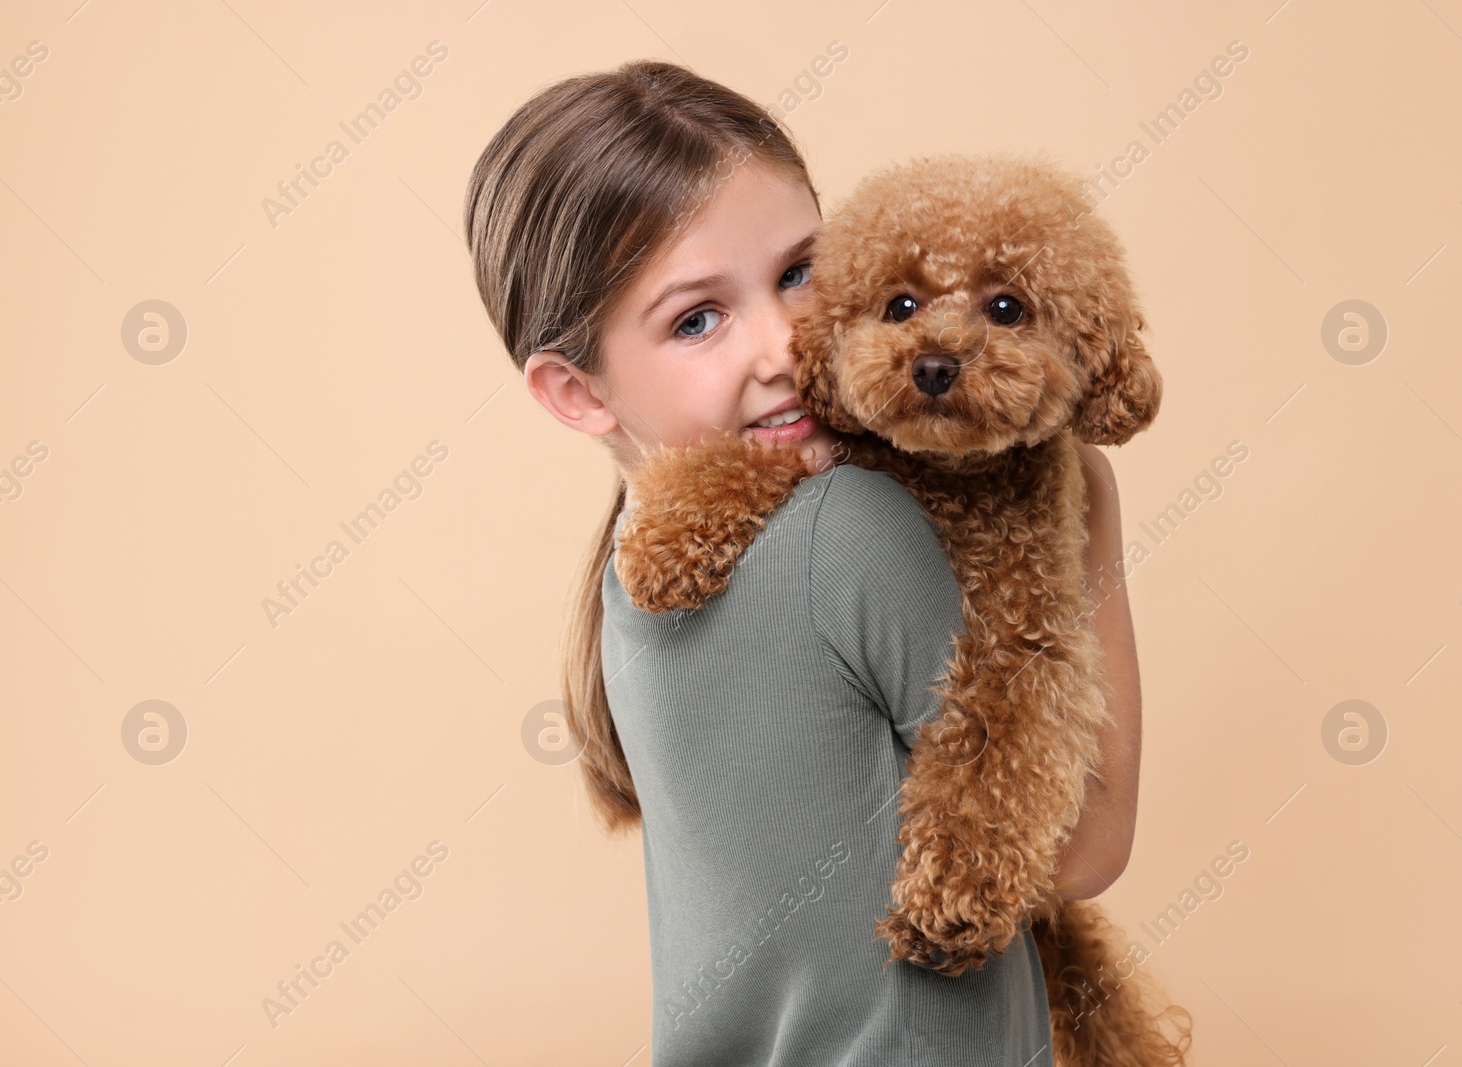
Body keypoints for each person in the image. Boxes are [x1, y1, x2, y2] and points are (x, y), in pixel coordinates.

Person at [462, 59, 1142, 1065]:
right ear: (576, 391)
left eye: (798, 272)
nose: (782, 344)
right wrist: (1087, 503)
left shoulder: (628, 577)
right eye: (698, 318)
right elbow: (1082, 844)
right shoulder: (849, 531)